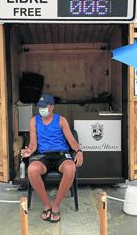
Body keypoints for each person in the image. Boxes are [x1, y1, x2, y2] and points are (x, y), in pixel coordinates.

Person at [20, 94, 83, 223]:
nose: (41, 109)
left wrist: (79, 151)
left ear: (52, 107)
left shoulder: (61, 120)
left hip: (61, 154)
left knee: (70, 168)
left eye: (44, 107)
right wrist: (28, 151)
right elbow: (33, 144)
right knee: (32, 170)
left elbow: (71, 140)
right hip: (44, 155)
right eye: (40, 107)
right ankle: (47, 204)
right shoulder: (34, 121)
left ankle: (56, 206)